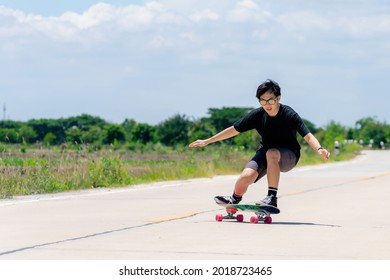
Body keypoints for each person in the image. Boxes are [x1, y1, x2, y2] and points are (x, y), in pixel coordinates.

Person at [188, 79, 330, 208]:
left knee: (272, 153)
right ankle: (234, 199)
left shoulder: (288, 114)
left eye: (271, 101)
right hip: (266, 152)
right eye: (263, 101)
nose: (267, 105)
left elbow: (307, 135)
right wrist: (208, 141)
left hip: (289, 155)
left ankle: (272, 197)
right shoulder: (257, 115)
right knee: (246, 176)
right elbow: (234, 130)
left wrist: (319, 148)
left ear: (278, 98)